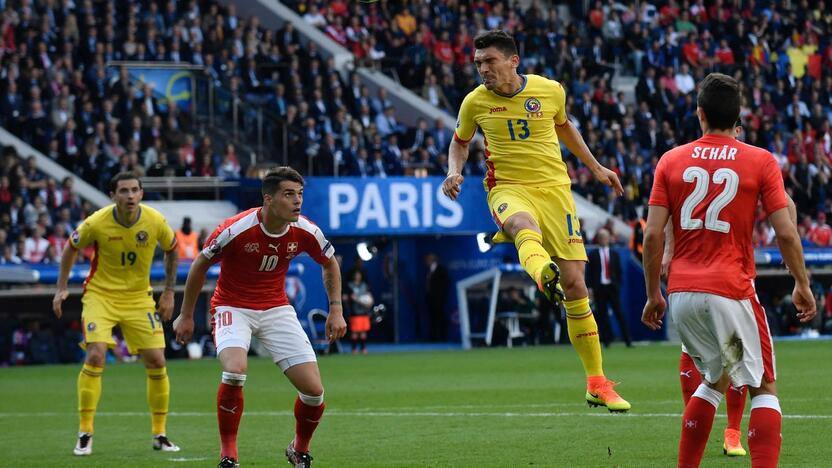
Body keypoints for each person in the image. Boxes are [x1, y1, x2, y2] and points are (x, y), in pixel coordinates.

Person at [442, 29, 630, 411]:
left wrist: (595, 168)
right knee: (521, 226)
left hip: (556, 191)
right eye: (478, 63)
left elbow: (564, 126)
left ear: (513, 61)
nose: (482, 69)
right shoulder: (474, 102)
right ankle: (543, 271)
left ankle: (597, 382)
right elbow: (460, 141)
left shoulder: (549, 90)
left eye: (489, 61)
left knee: (577, 286)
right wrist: (453, 171)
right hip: (508, 188)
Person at [641, 73, 816, 467]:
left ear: (699, 113)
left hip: (683, 294)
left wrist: (654, 293)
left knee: (713, 381)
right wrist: (801, 283)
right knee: (763, 386)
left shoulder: (671, 160)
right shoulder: (759, 160)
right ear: (739, 117)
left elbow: (653, 236)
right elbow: (786, 231)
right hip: (732, 290)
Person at [173, 167, 347, 468]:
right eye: (289, 194)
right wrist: (186, 315)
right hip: (231, 307)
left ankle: (298, 449)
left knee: (314, 392)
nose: (297, 201)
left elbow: (329, 263)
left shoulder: (305, 230)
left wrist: (336, 309)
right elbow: (200, 265)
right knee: (235, 370)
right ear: (268, 199)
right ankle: (229, 456)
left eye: (300, 194)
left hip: (276, 309)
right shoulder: (236, 228)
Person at [52, 172, 181, 456]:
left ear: (142, 194)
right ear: (113, 196)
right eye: (124, 191)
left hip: (139, 298)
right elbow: (70, 247)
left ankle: (160, 434)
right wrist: (62, 287)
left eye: (135, 190)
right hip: (101, 296)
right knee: (96, 353)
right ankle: (85, 432)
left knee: (157, 359)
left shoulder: (154, 221)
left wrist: (169, 292)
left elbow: (173, 249)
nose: (130, 196)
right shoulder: (96, 222)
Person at [586, 228, 632, 347]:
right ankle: (607, 341)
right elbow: (589, 273)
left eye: (605, 237)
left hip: (612, 287)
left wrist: (617, 284)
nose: (603, 240)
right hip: (599, 288)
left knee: (619, 314)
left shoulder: (614, 254)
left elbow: (618, 271)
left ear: (608, 239)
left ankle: (627, 340)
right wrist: (590, 288)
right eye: (601, 237)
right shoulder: (593, 254)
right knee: (602, 315)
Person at [346, 270, 373, 354]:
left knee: (363, 332)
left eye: (359, 275)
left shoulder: (364, 285)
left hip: (364, 312)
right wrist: (359, 301)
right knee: (354, 332)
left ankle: (363, 348)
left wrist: (369, 302)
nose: (357, 276)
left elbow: (369, 297)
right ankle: (354, 349)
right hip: (355, 312)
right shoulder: (350, 286)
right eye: (356, 275)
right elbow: (350, 297)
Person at [424, 253, 450, 342]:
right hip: (430, 300)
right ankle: (433, 338)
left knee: (440, 318)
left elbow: (445, 284)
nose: (426, 262)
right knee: (432, 319)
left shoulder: (441, 270)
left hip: (439, 300)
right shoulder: (429, 271)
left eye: (428, 259)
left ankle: (443, 338)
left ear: (432, 260)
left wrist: (441, 297)